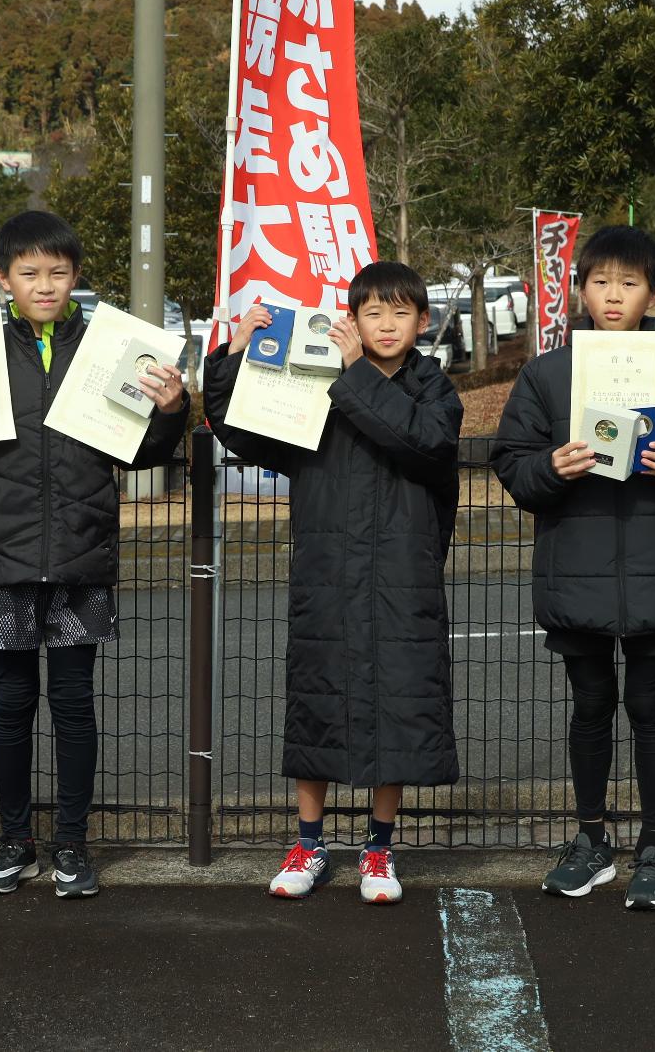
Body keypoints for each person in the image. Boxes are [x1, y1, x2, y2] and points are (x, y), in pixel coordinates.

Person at [0, 211, 187, 900]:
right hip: (6, 556)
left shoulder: (110, 348)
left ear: (75, 276)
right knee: (11, 702)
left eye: (57, 271)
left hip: (83, 555)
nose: (45, 284)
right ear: (3, 280)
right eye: (29, 272)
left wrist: (173, 409)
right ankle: (14, 840)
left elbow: (142, 451)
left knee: (75, 704)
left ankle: (73, 844)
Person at [490, 226, 655, 911]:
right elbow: (512, 461)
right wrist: (551, 466)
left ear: (652, 293)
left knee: (650, 707)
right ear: (580, 289)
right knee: (592, 705)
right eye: (599, 281)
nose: (612, 295)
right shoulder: (547, 374)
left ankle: (654, 847)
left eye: (628, 283)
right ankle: (592, 839)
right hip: (577, 567)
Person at [202, 262, 462, 905]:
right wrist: (233, 357)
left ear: (422, 322)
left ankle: (379, 849)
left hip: (403, 575)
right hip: (326, 570)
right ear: (352, 319)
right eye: (372, 313)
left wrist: (350, 378)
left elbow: (422, 441)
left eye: (401, 313)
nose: (386, 325)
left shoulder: (435, 389)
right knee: (316, 704)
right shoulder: (320, 381)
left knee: (399, 707)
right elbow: (240, 428)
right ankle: (308, 843)